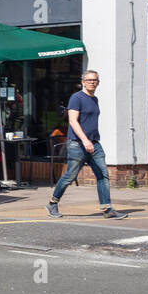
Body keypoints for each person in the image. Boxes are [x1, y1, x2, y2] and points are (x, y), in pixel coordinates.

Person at [47, 71, 126, 219]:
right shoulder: (76, 98)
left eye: (94, 80)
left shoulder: (94, 99)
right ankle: (53, 203)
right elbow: (73, 121)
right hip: (78, 144)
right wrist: (84, 140)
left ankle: (107, 209)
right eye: (89, 80)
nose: (92, 82)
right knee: (70, 176)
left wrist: (90, 141)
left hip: (94, 144)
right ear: (83, 82)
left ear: (98, 82)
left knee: (103, 175)